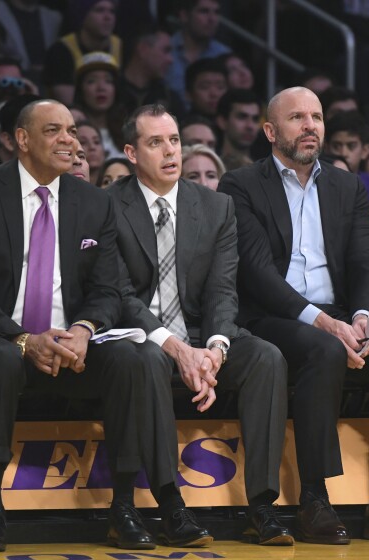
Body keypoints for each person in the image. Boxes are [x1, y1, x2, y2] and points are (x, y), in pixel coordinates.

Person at [218, 86, 369, 545]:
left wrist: (363, 318)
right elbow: (257, 273)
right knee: (323, 350)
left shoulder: (346, 185)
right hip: (275, 317)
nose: (310, 126)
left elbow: (365, 262)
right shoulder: (240, 184)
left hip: (339, 313)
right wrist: (321, 322)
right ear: (270, 131)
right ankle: (314, 500)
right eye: (297, 117)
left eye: (316, 117)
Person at [0, 99, 158, 552]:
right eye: (54, 130)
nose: (70, 141)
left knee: (128, 359)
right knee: (0, 359)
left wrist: (82, 329)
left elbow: (107, 290)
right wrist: (22, 338)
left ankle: (123, 504)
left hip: (68, 342)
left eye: (73, 131)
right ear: (22, 139)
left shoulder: (95, 201)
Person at [110, 104, 292, 547]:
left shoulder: (215, 206)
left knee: (266, 356)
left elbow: (222, 291)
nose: (170, 151)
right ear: (132, 153)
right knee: (149, 358)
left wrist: (214, 349)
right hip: (140, 334)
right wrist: (177, 348)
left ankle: (262, 504)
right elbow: (117, 294)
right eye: (156, 143)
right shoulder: (107, 204)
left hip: (200, 335)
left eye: (173, 140)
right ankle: (170, 503)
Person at [42, 0, 121, 105]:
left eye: (112, 11)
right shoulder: (61, 50)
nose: (108, 17)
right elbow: (67, 103)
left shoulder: (120, 45)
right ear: (82, 15)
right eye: (99, 10)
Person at [165, 0, 230, 106]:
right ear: (184, 15)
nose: (212, 19)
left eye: (216, 12)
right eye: (204, 11)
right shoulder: (165, 50)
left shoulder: (224, 54)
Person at [72, 52, 126, 158]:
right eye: (91, 81)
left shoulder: (128, 130)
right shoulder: (72, 130)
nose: (101, 87)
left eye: (108, 81)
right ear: (80, 89)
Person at [216, 89, 260, 162]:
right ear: (222, 122)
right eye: (242, 117)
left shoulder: (268, 168)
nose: (250, 126)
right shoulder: (209, 166)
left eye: (255, 119)